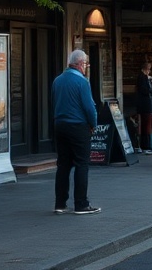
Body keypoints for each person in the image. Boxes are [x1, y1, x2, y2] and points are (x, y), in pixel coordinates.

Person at [52, 49, 100, 215]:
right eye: (86, 63)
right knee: (82, 164)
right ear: (80, 64)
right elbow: (89, 107)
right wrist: (93, 124)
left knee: (63, 165)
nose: (86, 66)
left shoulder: (57, 80)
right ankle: (81, 203)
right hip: (78, 126)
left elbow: (54, 101)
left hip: (60, 125)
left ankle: (60, 203)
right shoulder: (82, 82)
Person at [135, 62, 152, 153]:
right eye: (148, 69)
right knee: (147, 125)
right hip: (145, 105)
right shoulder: (143, 78)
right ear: (145, 69)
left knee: (145, 125)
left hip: (143, 104)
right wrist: (151, 84)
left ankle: (145, 144)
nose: (149, 71)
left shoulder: (141, 78)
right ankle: (146, 145)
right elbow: (146, 90)